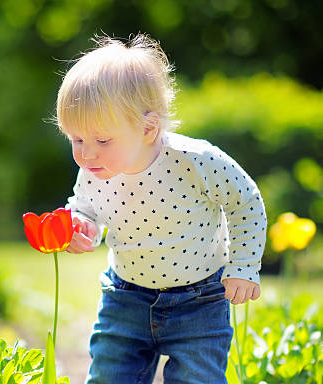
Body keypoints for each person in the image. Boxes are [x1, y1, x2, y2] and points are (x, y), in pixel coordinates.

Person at [55, 34, 267, 383]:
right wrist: (82, 228)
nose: (87, 154)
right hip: (125, 297)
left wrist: (243, 265)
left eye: (102, 140)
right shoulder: (93, 170)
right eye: (77, 139)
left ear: (148, 128)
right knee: (109, 376)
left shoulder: (196, 161)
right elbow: (85, 209)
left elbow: (245, 201)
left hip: (200, 299)